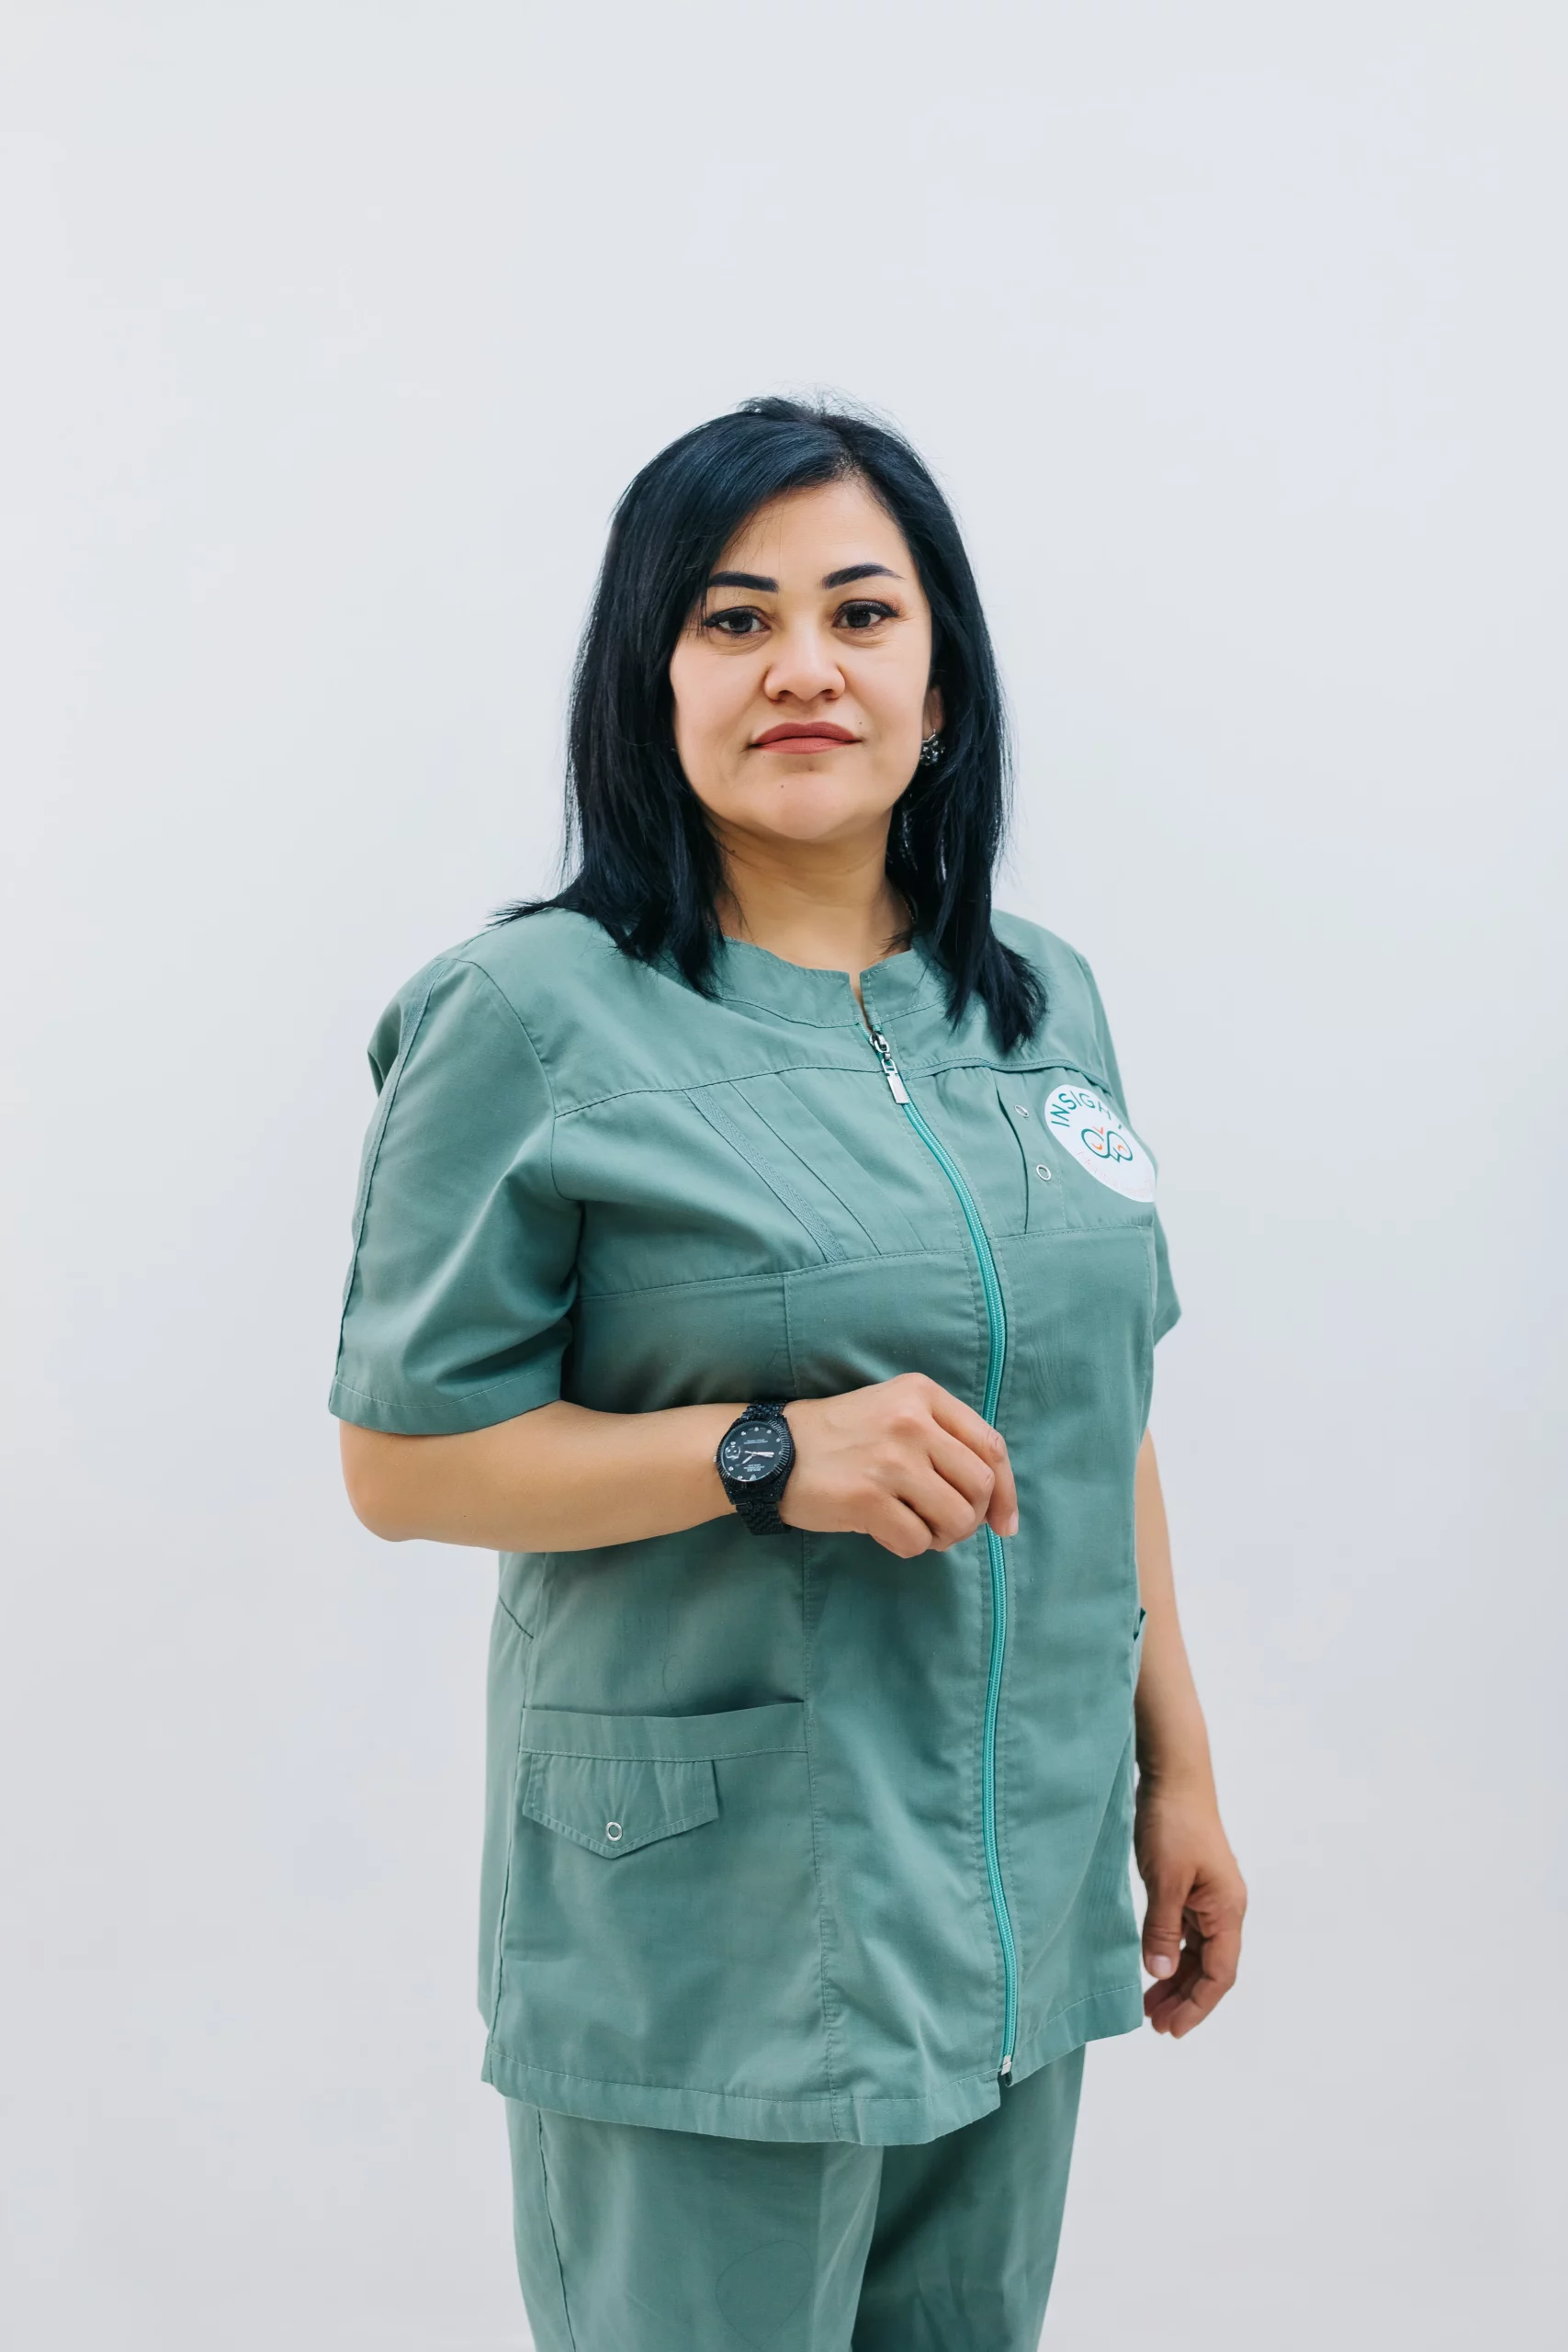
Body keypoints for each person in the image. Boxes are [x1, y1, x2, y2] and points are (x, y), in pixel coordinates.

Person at [330, 395, 1246, 2351]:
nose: (804, 666)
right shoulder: (529, 1016)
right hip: (712, 1921)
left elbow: (1099, 1416)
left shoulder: (1037, 1001)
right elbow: (405, 1460)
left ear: (941, 682)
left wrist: (1177, 1767)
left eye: (860, 612)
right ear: (650, 677)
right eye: (733, 618)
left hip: (1015, 1877)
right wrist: (764, 1450)